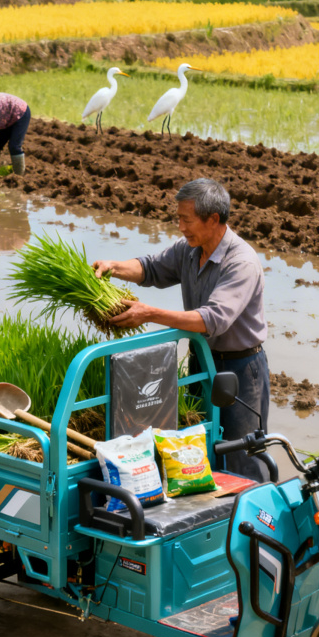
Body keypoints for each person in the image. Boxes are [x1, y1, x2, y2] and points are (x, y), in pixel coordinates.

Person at [93, 177, 270, 482]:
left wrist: (149, 314)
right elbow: (151, 268)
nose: (181, 227)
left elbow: (212, 320)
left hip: (240, 369)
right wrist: (114, 267)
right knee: (198, 448)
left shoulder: (241, 262)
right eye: (179, 219)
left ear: (213, 219)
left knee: (242, 454)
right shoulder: (189, 249)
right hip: (203, 362)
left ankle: (256, 520)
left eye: (186, 220)